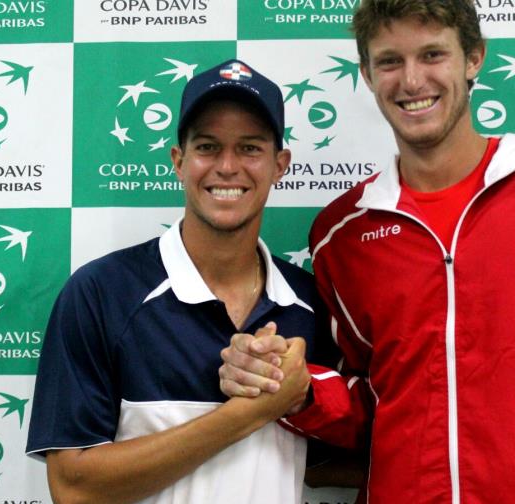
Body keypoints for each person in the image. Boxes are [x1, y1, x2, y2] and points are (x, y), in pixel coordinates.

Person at [218, 1, 515, 502]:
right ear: (367, 74)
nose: (412, 81)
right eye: (390, 61)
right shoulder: (342, 234)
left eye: (432, 55)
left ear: (473, 59)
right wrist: (299, 387)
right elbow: (370, 402)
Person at [25, 59, 327, 504]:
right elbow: (73, 488)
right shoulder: (101, 292)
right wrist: (251, 412)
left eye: (249, 148)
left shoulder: (311, 302)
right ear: (178, 161)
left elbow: (329, 465)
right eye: (207, 147)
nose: (228, 167)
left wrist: (305, 400)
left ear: (280, 164)